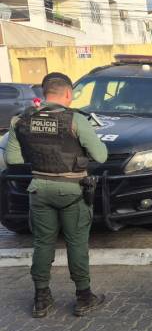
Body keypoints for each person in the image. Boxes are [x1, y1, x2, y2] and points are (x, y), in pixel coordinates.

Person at [4, 72, 108, 318]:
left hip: (39, 188)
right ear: (68, 93)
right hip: (72, 189)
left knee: (42, 243)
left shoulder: (21, 120)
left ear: (44, 93)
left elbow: (12, 159)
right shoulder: (75, 120)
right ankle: (83, 297)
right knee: (76, 243)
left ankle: (41, 298)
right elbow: (101, 155)